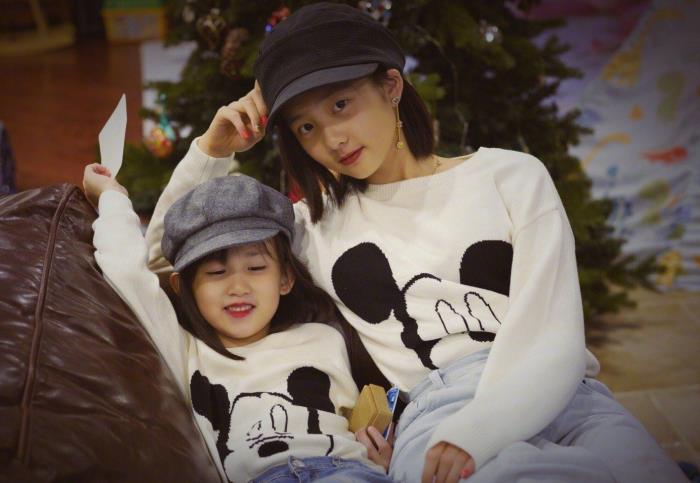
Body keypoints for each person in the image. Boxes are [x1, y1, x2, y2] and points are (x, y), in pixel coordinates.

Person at [144, 3, 687, 482]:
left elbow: (554, 334)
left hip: (563, 395)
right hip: (436, 415)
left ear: (391, 86)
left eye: (340, 105)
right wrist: (213, 149)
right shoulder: (311, 226)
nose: (331, 138)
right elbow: (168, 260)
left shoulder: (511, 176)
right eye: (305, 127)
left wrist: (486, 427)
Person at [82, 164, 395, 483]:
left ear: (285, 278)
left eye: (256, 267)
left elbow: (356, 421)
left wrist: (378, 458)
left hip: (347, 471)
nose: (238, 286)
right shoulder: (186, 352)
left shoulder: (325, 338)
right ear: (182, 287)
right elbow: (128, 275)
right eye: (217, 273)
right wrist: (112, 196)